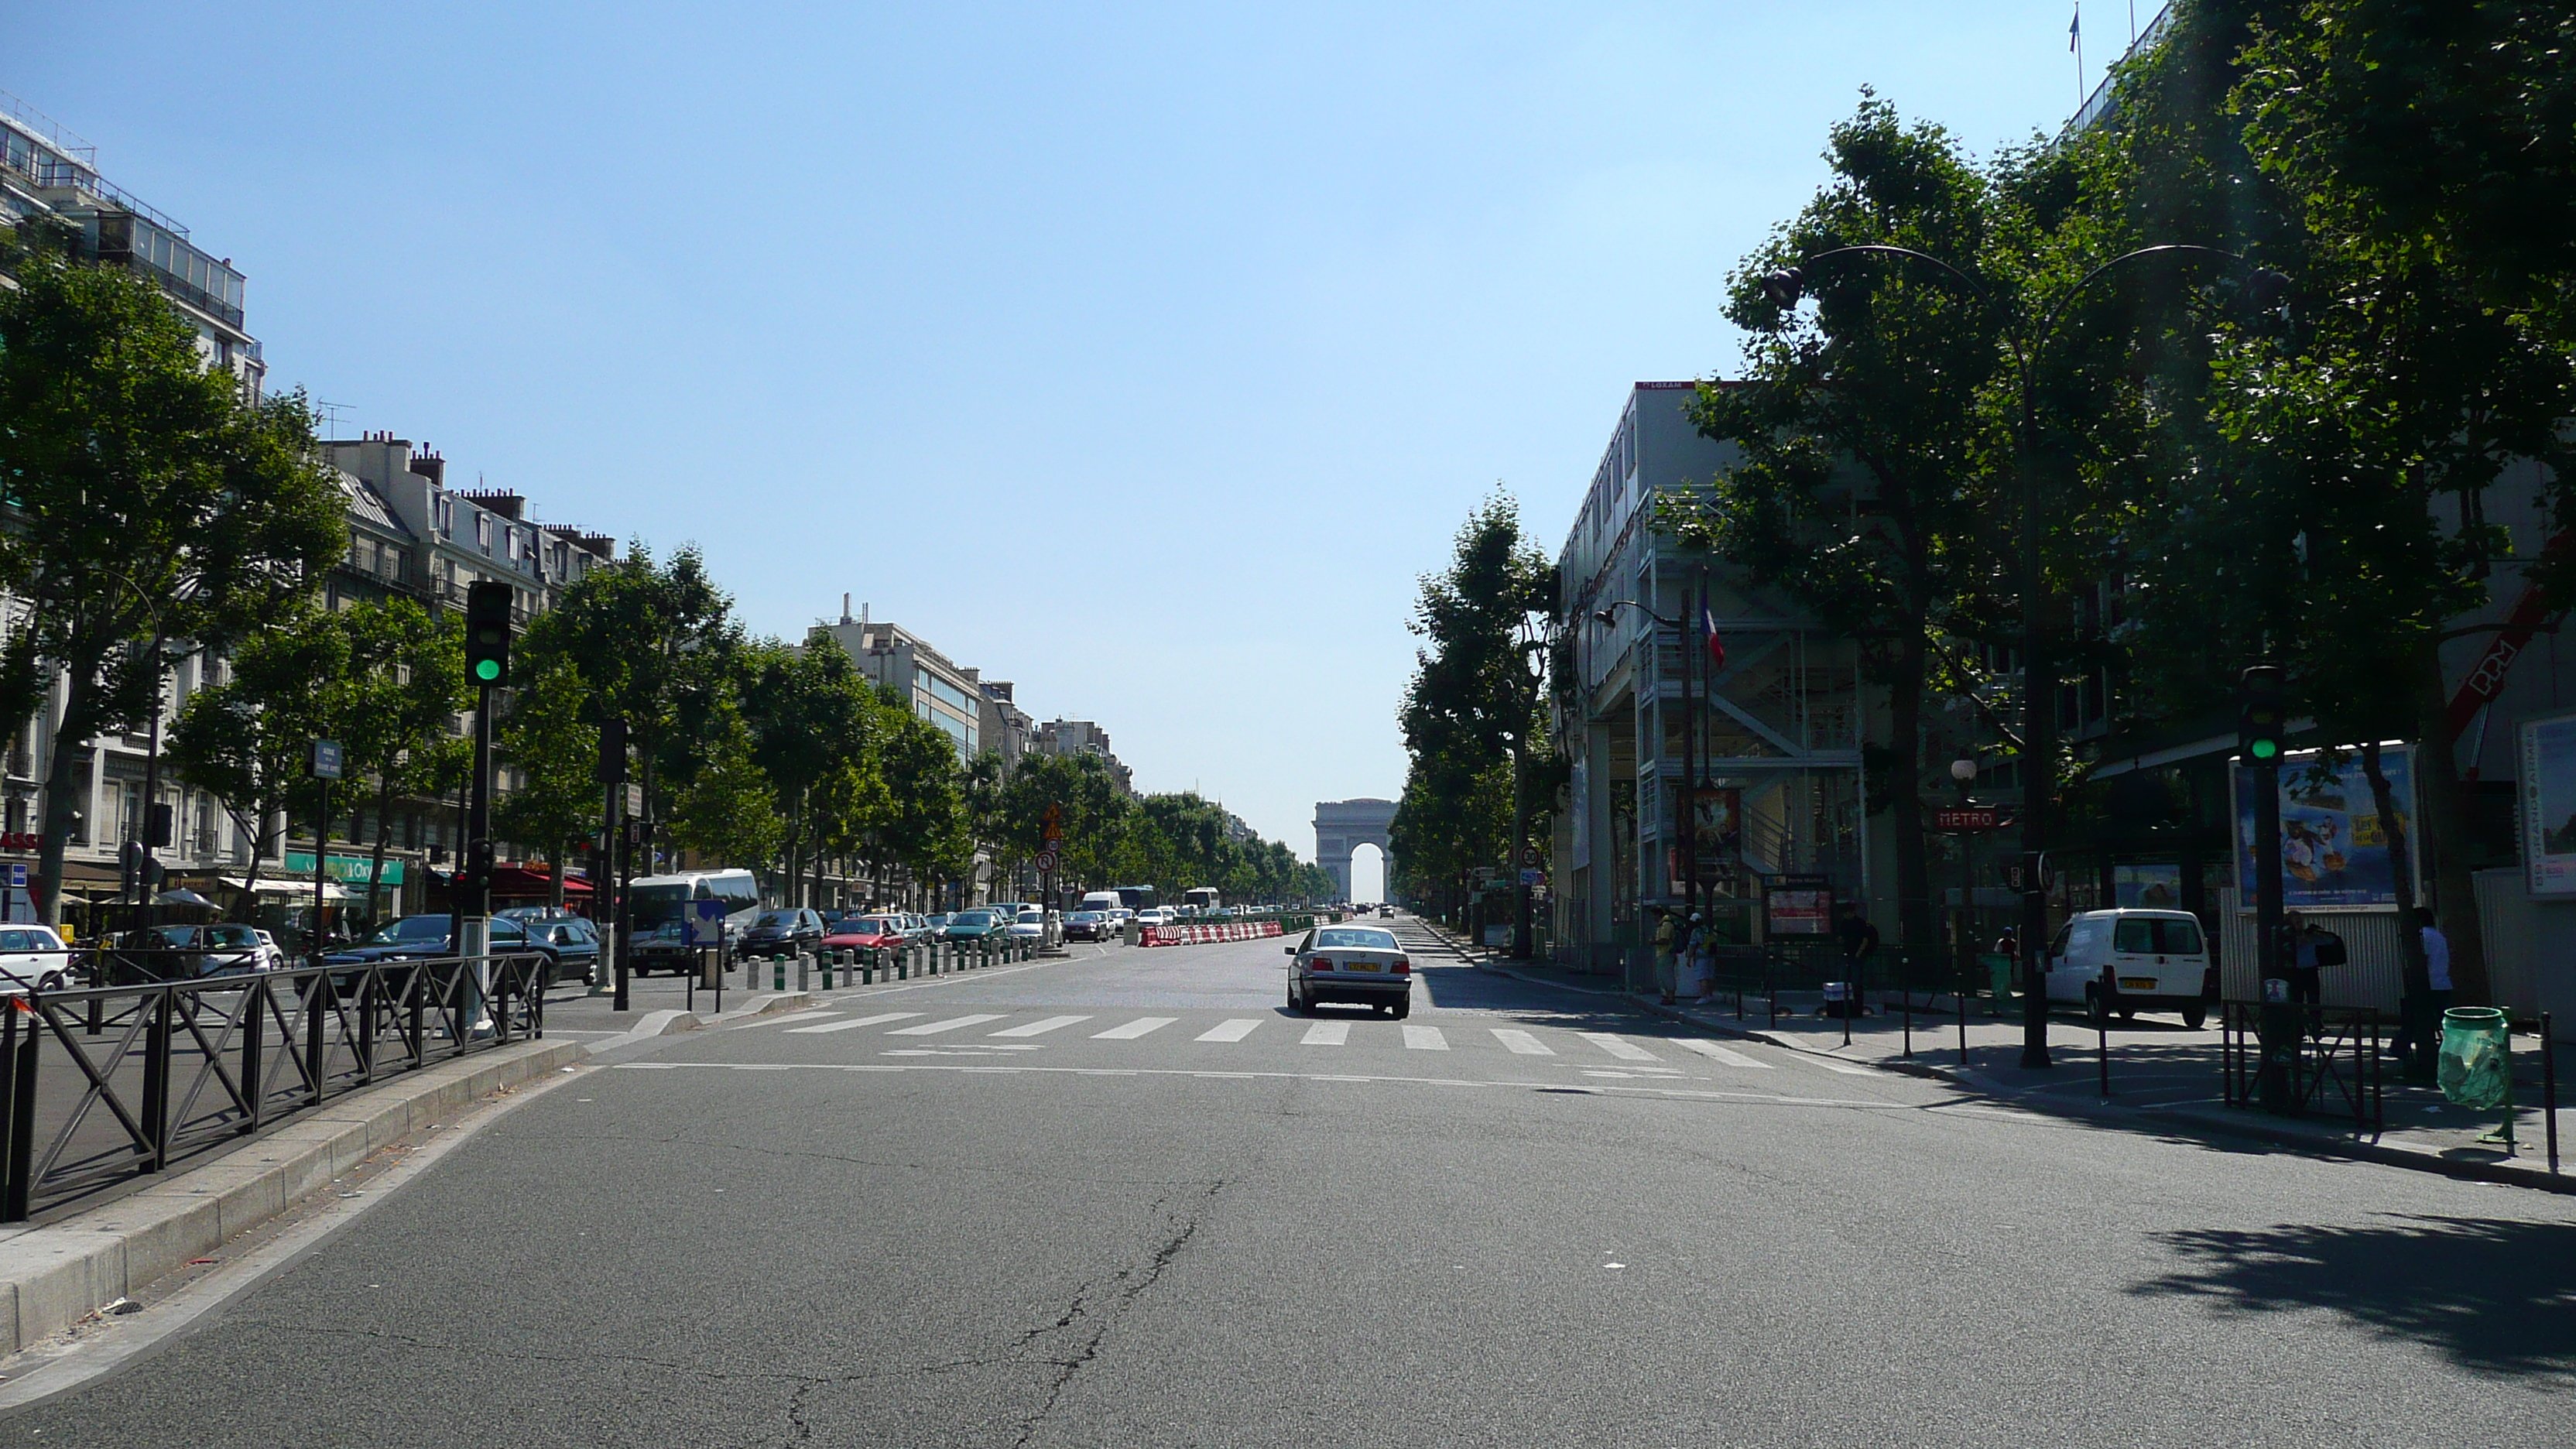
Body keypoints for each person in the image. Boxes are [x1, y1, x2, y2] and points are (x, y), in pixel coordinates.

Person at [2393, 906, 2453, 1076]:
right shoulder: (2439, 936)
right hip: (2442, 983)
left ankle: (2399, 1049)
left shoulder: (2423, 936)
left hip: (2428, 985)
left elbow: (2421, 960)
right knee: (2443, 1022)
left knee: (2413, 1019)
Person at [1651, 909, 1678, 1004]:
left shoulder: (1666, 925)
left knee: (1667, 975)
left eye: (1654, 915)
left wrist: (1654, 942)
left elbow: (1665, 940)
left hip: (1666, 953)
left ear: (1658, 914)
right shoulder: (1661, 925)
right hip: (1662, 954)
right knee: (1662, 976)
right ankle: (1667, 995)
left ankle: (1671, 997)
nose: (1653, 918)